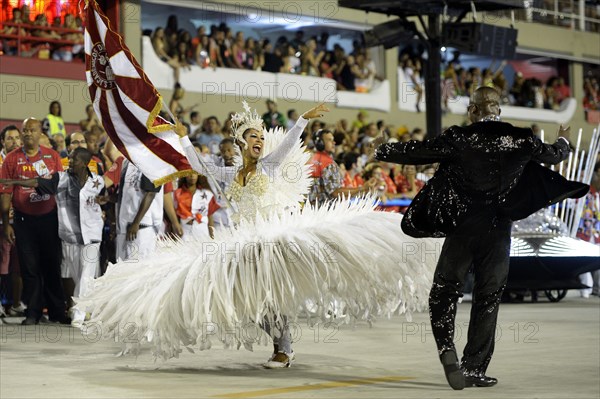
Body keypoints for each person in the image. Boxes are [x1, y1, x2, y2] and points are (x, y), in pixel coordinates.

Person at [77, 102, 438, 371]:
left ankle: (284, 348)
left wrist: (302, 120)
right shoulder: (228, 172)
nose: (259, 141)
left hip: (273, 241)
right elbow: (199, 167)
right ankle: (283, 344)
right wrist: (185, 139)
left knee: (270, 300)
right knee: (254, 304)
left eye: (262, 137)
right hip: (242, 244)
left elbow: (285, 147)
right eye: (252, 136)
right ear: (239, 142)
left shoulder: (268, 164)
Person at [373, 86, 588, 390]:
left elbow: (417, 152)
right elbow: (555, 155)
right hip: (498, 232)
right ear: (498, 110)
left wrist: (383, 148)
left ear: (473, 110)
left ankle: (446, 346)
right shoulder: (521, 137)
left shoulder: (461, 137)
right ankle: (474, 368)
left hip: (463, 229)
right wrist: (564, 138)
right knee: (488, 299)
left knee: (444, 291)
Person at [0, 148, 104, 327]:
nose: (69, 162)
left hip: (92, 236)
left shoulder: (97, 182)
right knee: (77, 276)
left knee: (86, 276)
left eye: (74, 160)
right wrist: (13, 181)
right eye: (70, 158)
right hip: (70, 238)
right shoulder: (61, 179)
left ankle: (78, 315)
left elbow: (105, 196)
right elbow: (36, 181)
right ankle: (84, 308)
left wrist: (108, 202)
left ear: (85, 163)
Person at [0, 118, 68, 325]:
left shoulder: (52, 156)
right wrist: (7, 224)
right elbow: (5, 192)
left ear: (40, 134)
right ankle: (33, 312)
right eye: (25, 130)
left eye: (32, 130)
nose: (28, 133)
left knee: (52, 266)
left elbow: (61, 187)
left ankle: (57, 312)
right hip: (23, 221)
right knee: (30, 269)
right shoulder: (11, 159)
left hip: (49, 219)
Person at [308, 129, 374, 206]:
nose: (334, 142)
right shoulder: (327, 163)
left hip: (312, 209)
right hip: (325, 211)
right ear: (320, 143)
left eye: (333, 140)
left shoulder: (312, 159)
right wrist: (362, 188)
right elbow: (335, 192)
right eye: (329, 140)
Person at [0, 125, 24, 317]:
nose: (15, 142)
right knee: (2, 264)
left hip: (21, 220)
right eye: (10, 138)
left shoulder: (23, 161)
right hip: (2, 221)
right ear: (2, 141)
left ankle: (16, 303)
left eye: (17, 138)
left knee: (18, 265)